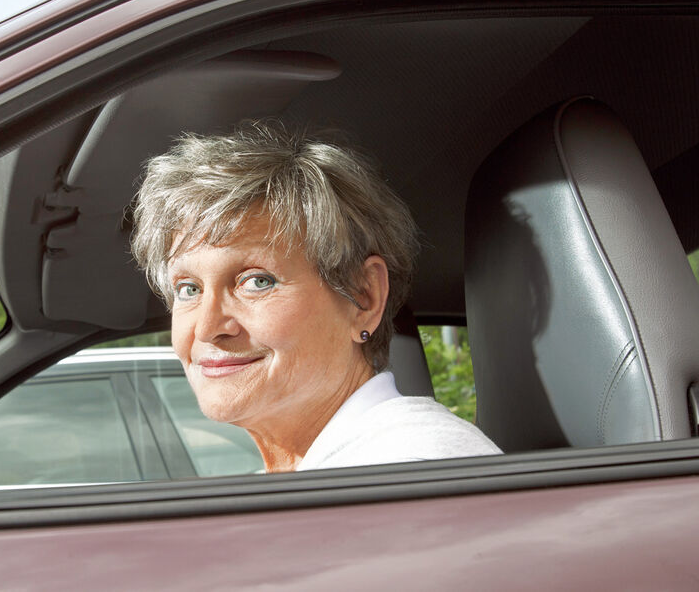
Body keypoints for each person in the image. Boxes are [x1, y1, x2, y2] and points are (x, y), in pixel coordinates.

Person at [131, 120, 500, 472]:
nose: (209, 328)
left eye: (257, 281)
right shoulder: (331, 475)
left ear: (363, 297)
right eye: (188, 289)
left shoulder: (412, 467)